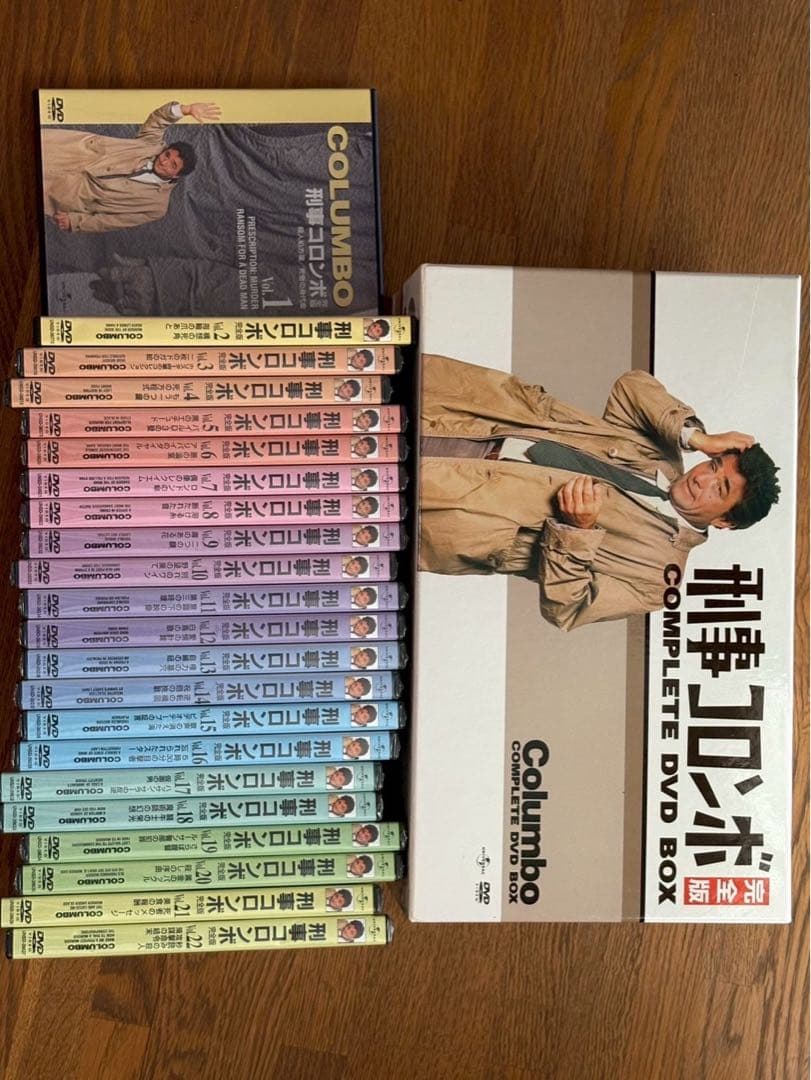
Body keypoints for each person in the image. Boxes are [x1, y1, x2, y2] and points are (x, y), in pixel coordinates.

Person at [420, 354, 780, 631]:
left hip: (458, 507)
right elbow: (631, 387)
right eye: (714, 465)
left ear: (724, 521)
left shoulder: (657, 580)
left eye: (721, 488)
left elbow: (568, 609)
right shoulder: (663, 452)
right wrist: (696, 437)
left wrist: (577, 531)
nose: (703, 479)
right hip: (471, 416)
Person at [41, 100, 220, 233]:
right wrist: (187, 109)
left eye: (173, 165)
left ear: (177, 175)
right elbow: (159, 119)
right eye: (167, 155)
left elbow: (112, 221)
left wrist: (76, 222)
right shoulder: (151, 144)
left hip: (68, 192)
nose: (164, 162)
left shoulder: (156, 207)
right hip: (69, 150)